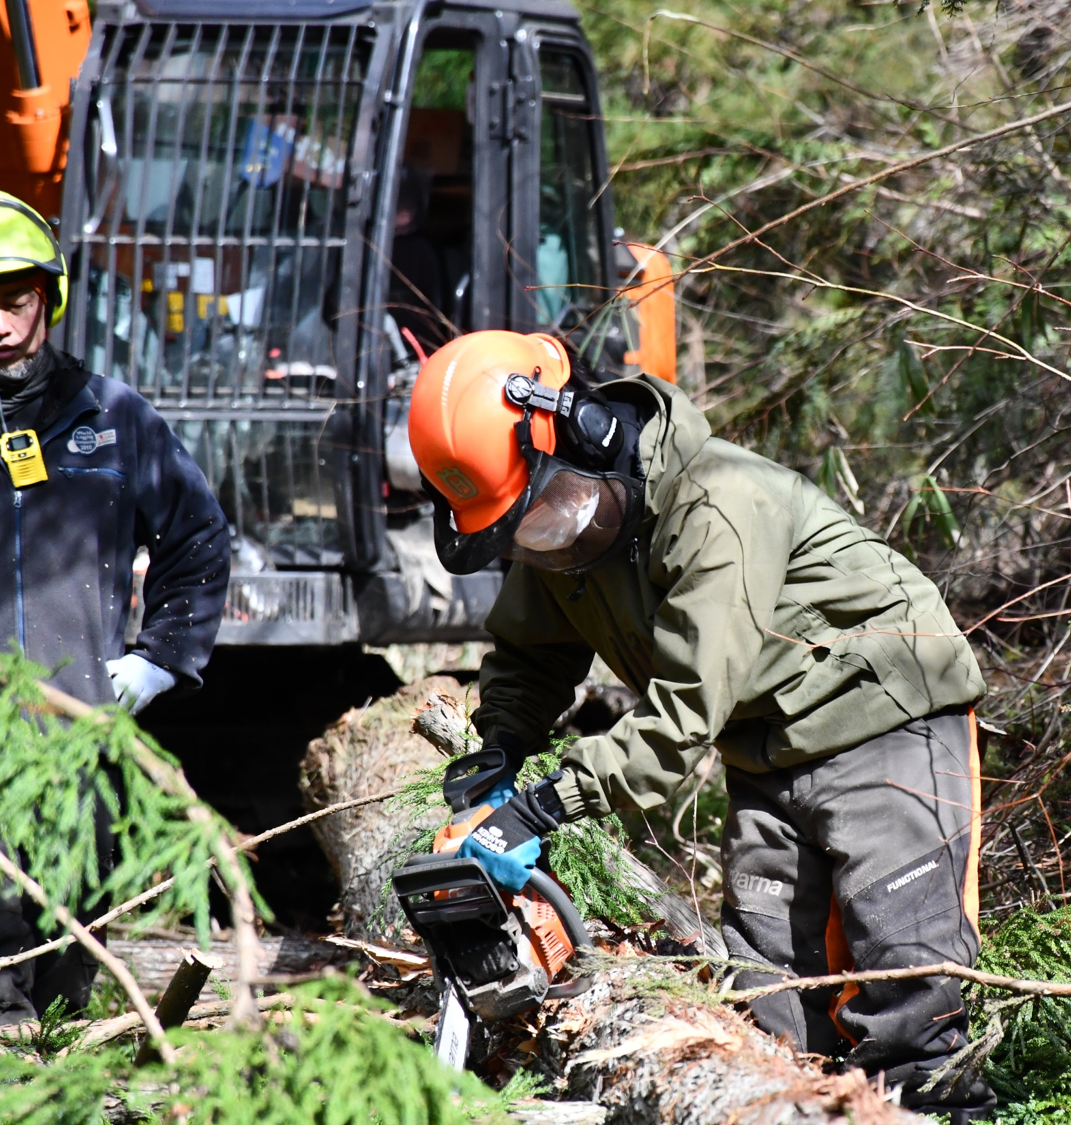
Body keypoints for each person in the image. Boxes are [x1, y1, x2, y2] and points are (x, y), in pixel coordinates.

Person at [409, 330, 995, 1121]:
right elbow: (529, 656)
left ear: (583, 430)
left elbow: (682, 718)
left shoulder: (716, 501)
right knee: (770, 1001)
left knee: (907, 992)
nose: (542, 538)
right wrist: (501, 751)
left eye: (542, 511)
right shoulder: (570, 539)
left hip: (886, 715)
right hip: (766, 749)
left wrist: (541, 806)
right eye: (519, 530)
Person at [0, 188, 231, 1022]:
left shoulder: (114, 419)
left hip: (83, 745)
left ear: (49, 298)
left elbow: (198, 542)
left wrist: (157, 662)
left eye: (15, 301)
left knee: (69, 973)